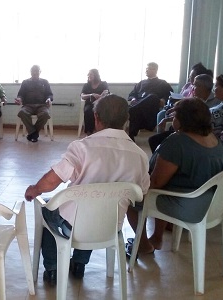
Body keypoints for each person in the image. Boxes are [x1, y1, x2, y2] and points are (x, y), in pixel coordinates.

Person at [24, 94, 150, 285]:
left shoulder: (82, 147)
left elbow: (53, 180)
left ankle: (53, 269)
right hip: (109, 227)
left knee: (48, 210)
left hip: (73, 227)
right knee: (100, 208)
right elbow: (142, 193)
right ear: (126, 120)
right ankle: (79, 264)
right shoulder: (139, 155)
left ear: (96, 118)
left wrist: (35, 189)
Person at [126, 98, 223, 255]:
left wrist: (135, 185)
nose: (172, 119)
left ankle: (143, 244)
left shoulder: (178, 142)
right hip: (212, 204)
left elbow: (156, 183)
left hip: (188, 206)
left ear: (183, 120)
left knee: (131, 198)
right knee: (168, 186)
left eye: (175, 117)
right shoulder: (215, 140)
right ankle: (157, 237)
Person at [149, 74, 219, 153]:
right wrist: (167, 119)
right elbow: (185, 113)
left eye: (195, 85)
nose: (192, 88)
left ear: (203, 87)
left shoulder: (216, 102)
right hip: (186, 129)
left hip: (195, 132)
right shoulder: (196, 99)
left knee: (155, 141)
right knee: (155, 140)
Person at [156, 63, 213, 133]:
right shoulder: (188, 85)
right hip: (179, 106)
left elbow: (192, 112)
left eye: (192, 76)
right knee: (162, 114)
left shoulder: (205, 99)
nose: (189, 78)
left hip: (184, 112)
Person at [128, 62, 173, 141]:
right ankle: (131, 134)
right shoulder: (141, 83)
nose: (146, 71)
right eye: (146, 69)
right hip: (139, 105)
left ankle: (132, 112)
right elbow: (132, 94)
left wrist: (163, 99)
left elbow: (170, 95)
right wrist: (133, 99)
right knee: (136, 108)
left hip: (152, 107)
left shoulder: (163, 83)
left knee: (152, 96)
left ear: (155, 70)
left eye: (148, 69)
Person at [15, 65, 53, 142]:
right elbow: (20, 94)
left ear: (40, 72)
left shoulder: (45, 82)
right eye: (33, 70)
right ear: (30, 72)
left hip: (42, 106)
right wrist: (19, 99)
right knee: (22, 112)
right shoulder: (25, 82)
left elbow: (49, 94)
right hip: (28, 105)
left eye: (37, 70)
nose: (35, 72)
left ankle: (32, 134)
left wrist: (49, 99)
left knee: (45, 114)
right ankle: (34, 134)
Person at [80, 69, 109, 136]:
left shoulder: (103, 84)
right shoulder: (86, 85)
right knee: (88, 111)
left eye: (91, 74)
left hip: (101, 104)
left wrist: (101, 96)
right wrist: (91, 95)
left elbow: (106, 92)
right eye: (88, 74)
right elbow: (82, 96)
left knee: (104, 111)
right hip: (90, 104)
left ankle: (102, 131)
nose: (89, 76)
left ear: (96, 75)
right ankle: (89, 131)